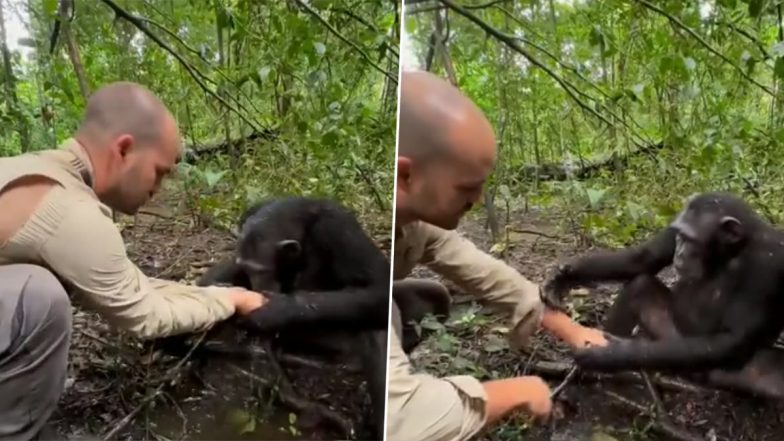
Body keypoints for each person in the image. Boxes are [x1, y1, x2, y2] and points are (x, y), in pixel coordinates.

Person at [0, 82, 269, 440]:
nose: (160, 188)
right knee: (39, 297)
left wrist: (214, 295)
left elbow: (129, 285)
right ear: (124, 149)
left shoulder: (34, 170)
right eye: (160, 171)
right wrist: (233, 300)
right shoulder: (72, 213)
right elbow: (147, 315)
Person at [386, 70, 609, 441]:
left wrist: (572, 330)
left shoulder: (416, 222)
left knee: (428, 297)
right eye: (468, 188)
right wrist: (516, 392)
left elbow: (488, 276)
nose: (477, 200)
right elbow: (403, 421)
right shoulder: (358, 237)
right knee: (391, 311)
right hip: (326, 311)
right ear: (405, 176)